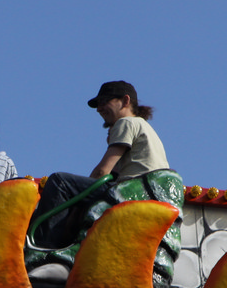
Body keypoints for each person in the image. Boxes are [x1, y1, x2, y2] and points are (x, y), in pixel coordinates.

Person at [33, 81, 169, 248]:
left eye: (104, 101)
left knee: (60, 182)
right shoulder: (145, 128)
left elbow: (102, 172)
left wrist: (77, 201)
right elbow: (116, 173)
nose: (99, 109)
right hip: (147, 194)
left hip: (131, 192)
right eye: (98, 104)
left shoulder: (126, 122)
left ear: (125, 101)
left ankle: (44, 246)